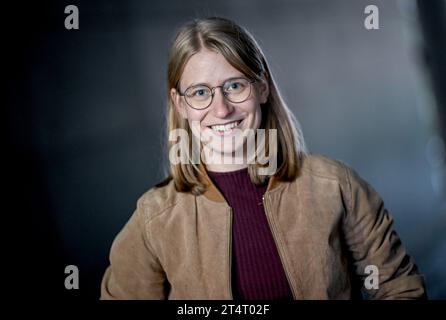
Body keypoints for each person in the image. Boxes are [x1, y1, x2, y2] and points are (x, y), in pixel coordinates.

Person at [100, 17, 426, 300]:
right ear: (180, 104)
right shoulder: (154, 218)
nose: (222, 109)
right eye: (200, 92)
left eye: (235, 85)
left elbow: (400, 287)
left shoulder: (334, 186)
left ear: (262, 87)